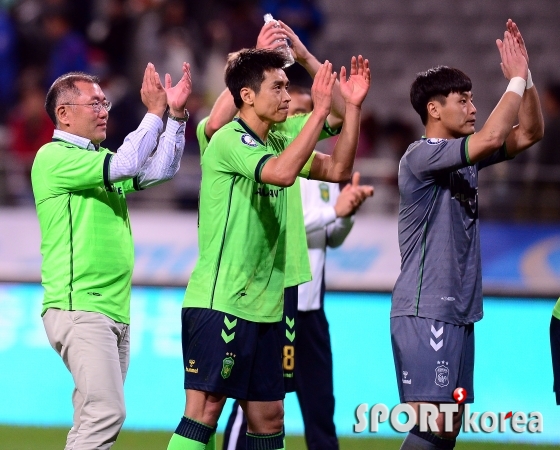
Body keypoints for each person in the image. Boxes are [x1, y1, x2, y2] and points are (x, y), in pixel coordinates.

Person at [167, 48, 370, 450]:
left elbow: (338, 169)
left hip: (269, 304)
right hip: (222, 298)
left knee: (269, 416)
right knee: (205, 409)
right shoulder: (228, 139)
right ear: (246, 95)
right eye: (277, 87)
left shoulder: (278, 136)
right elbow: (279, 173)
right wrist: (319, 110)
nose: (287, 97)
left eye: (288, 88)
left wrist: (355, 107)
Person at [390, 20, 543, 449]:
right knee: (433, 423)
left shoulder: (465, 161)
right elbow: (495, 134)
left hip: (459, 310)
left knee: (449, 424)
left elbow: (529, 133)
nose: (473, 107)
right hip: (426, 309)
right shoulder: (421, 156)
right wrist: (512, 80)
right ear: (434, 110)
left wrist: (526, 78)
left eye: (474, 98)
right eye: (464, 100)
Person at [31, 61, 192, 450]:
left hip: (111, 308)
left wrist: (176, 116)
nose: (105, 110)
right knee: (106, 413)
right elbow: (129, 162)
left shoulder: (93, 162)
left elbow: (160, 170)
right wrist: (154, 112)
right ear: (64, 114)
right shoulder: (54, 158)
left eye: (106, 103)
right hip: (81, 307)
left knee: (93, 417)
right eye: (95, 103)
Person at [223, 84, 373, 450]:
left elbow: (332, 237)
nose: (301, 116)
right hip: (276, 304)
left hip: (312, 309)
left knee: (320, 406)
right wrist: (330, 213)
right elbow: (290, 224)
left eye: (308, 111)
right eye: (296, 112)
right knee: (257, 403)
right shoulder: (276, 166)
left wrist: (346, 213)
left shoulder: (321, 173)